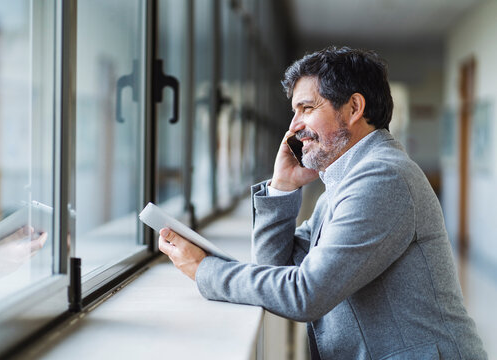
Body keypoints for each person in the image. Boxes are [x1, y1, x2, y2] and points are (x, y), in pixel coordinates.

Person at [158, 46, 487, 359]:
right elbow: (273, 269)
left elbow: (305, 294)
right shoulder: (344, 183)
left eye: (307, 108)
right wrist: (283, 186)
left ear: (354, 108)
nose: (293, 127)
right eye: (294, 112)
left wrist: (204, 270)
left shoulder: (384, 178)